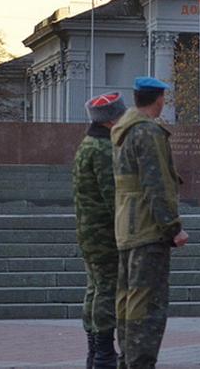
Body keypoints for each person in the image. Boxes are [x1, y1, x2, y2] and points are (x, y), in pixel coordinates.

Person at [112, 77, 189, 369]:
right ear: (159, 100)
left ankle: (127, 360)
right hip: (147, 231)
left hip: (126, 228)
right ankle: (139, 363)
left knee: (128, 301)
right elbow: (157, 185)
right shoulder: (147, 132)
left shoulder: (122, 131)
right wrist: (173, 228)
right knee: (149, 306)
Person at [73, 92, 129, 369]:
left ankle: (94, 352)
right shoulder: (104, 150)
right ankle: (104, 354)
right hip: (104, 232)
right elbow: (114, 197)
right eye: (120, 115)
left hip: (88, 230)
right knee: (106, 290)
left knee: (94, 289)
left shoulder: (86, 144)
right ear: (110, 121)